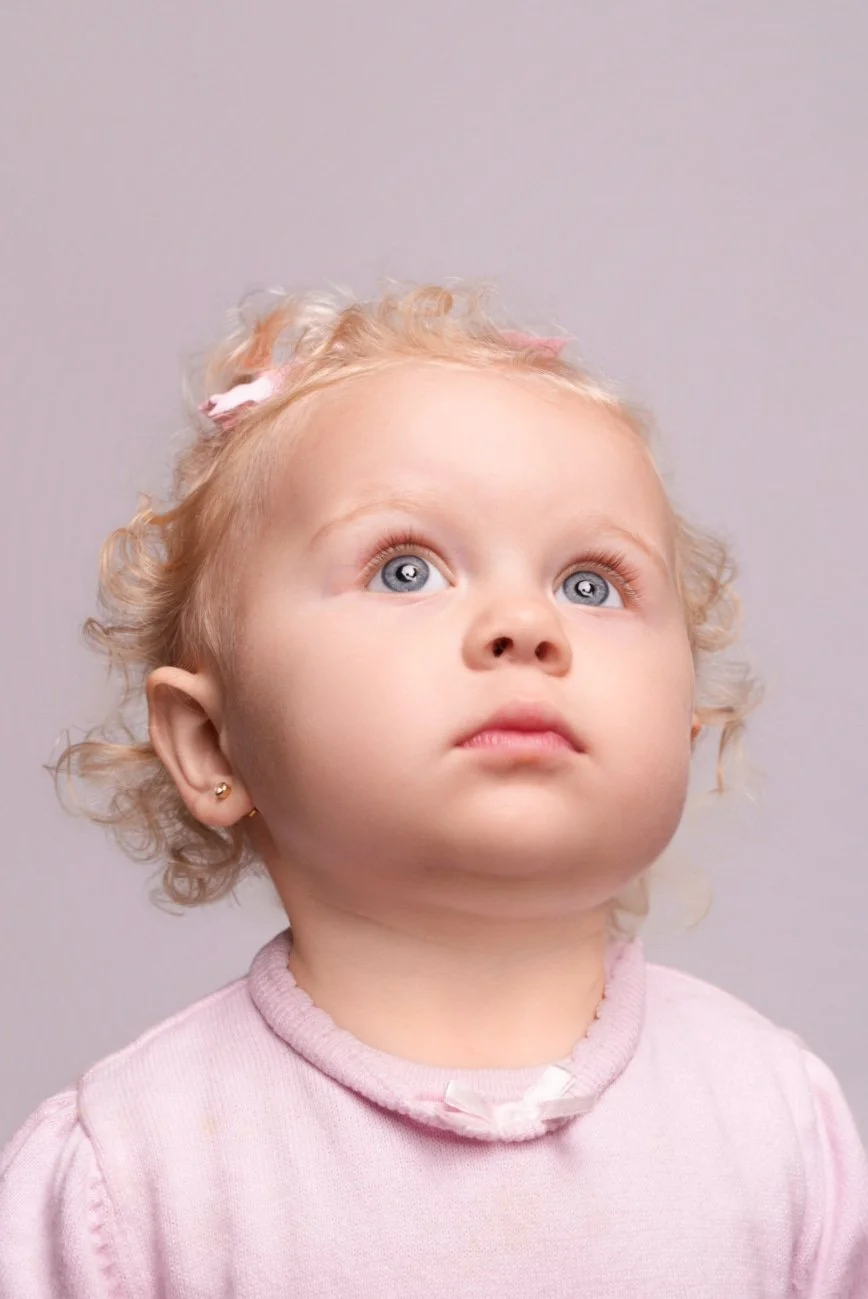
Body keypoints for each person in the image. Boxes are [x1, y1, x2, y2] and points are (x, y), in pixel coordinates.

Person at [1, 282, 866, 1297]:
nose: (523, 625)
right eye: (406, 570)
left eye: (590, 583)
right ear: (209, 743)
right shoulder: (134, 1173)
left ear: (684, 735)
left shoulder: (771, 1119)